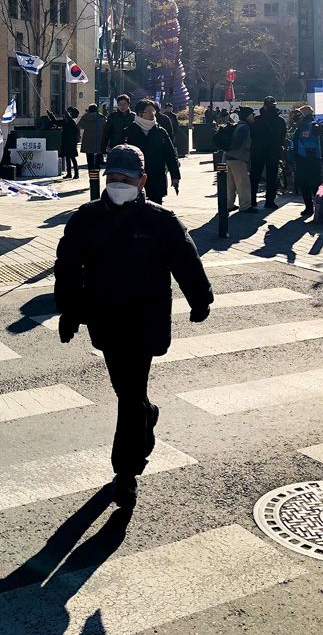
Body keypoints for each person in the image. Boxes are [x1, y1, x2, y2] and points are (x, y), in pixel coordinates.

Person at [54, 143, 214, 507]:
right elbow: (67, 268)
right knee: (126, 390)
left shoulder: (161, 221)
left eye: (126, 178)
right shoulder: (86, 218)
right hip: (106, 319)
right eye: (112, 177)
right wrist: (69, 312)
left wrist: (200, 300)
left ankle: (125, 473)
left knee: (128, 395)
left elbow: (187, 262)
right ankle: (147, 413)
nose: (117, 183)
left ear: (143, 180)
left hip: (146, 320)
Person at [120, 98, 180, 205]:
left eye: (153, 112)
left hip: (156, 174)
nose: (152, 114)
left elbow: (170, 155)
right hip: (135, 176)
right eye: (148, 112)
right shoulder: (129, 131)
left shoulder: (160, 131)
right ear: (140, 114)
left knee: (156, 207)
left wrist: (175, 176)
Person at [250, 96, 288, 211]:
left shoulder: (257, 120)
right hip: (273, 151)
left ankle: (252, 200)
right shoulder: (280, 120)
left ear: (264, 106)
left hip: (258, 151)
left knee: (254, 176)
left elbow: (251, 136)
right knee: (272, 177)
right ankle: (270, 201)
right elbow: (283, 136)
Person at [288, 104, 323, 219]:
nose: (297, 116)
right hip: (300, 158)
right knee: (303, 184)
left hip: (311, 159)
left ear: (304, 115)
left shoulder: (313, 125)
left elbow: (320, 132)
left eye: (299, 114)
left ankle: (321, 207)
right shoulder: (300, 127)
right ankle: (308, 207)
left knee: (314, 183)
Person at [225, 106, 256, 213]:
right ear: (247, 116)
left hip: (229, 157)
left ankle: (229, 204)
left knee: (230, 183)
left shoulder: (238, 126)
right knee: (243, 183)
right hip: (238, 158)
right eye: (252, 115)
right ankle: (245, 205)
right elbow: (239, 142)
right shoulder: (245, 128)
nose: (253, 117)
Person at [77, 103, 107, 171]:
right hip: (99, 142)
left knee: (90, 161)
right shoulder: (102, 118)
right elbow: (106, 129)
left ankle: (91, 176)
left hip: (88, 143)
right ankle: (96, 177)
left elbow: (79, 126)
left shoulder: (85, 118)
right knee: (98, 162)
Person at [59, 106, 81, 179]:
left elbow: (71, 122)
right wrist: (51, 116)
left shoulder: (73, 121)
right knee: (67, 158)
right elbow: (57, 122)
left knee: (72, 158)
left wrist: (68, 115)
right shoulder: (66, 120)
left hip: (71, 142)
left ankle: (76, 173)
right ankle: (69, 173)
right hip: (66, 141)